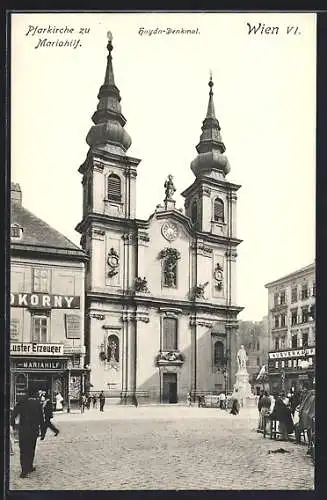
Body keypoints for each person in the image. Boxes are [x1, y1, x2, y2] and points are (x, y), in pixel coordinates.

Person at [10, 388, 45, 478]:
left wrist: (12, 424)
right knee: (31, 449)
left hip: (23, 430)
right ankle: (29, 466)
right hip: (33, 431)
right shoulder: (37, 404)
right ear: (34, 394)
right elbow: (41, 418)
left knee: (23, 450)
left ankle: (24, 470)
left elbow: (14, 413)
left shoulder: (22, 401)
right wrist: (43, 431)